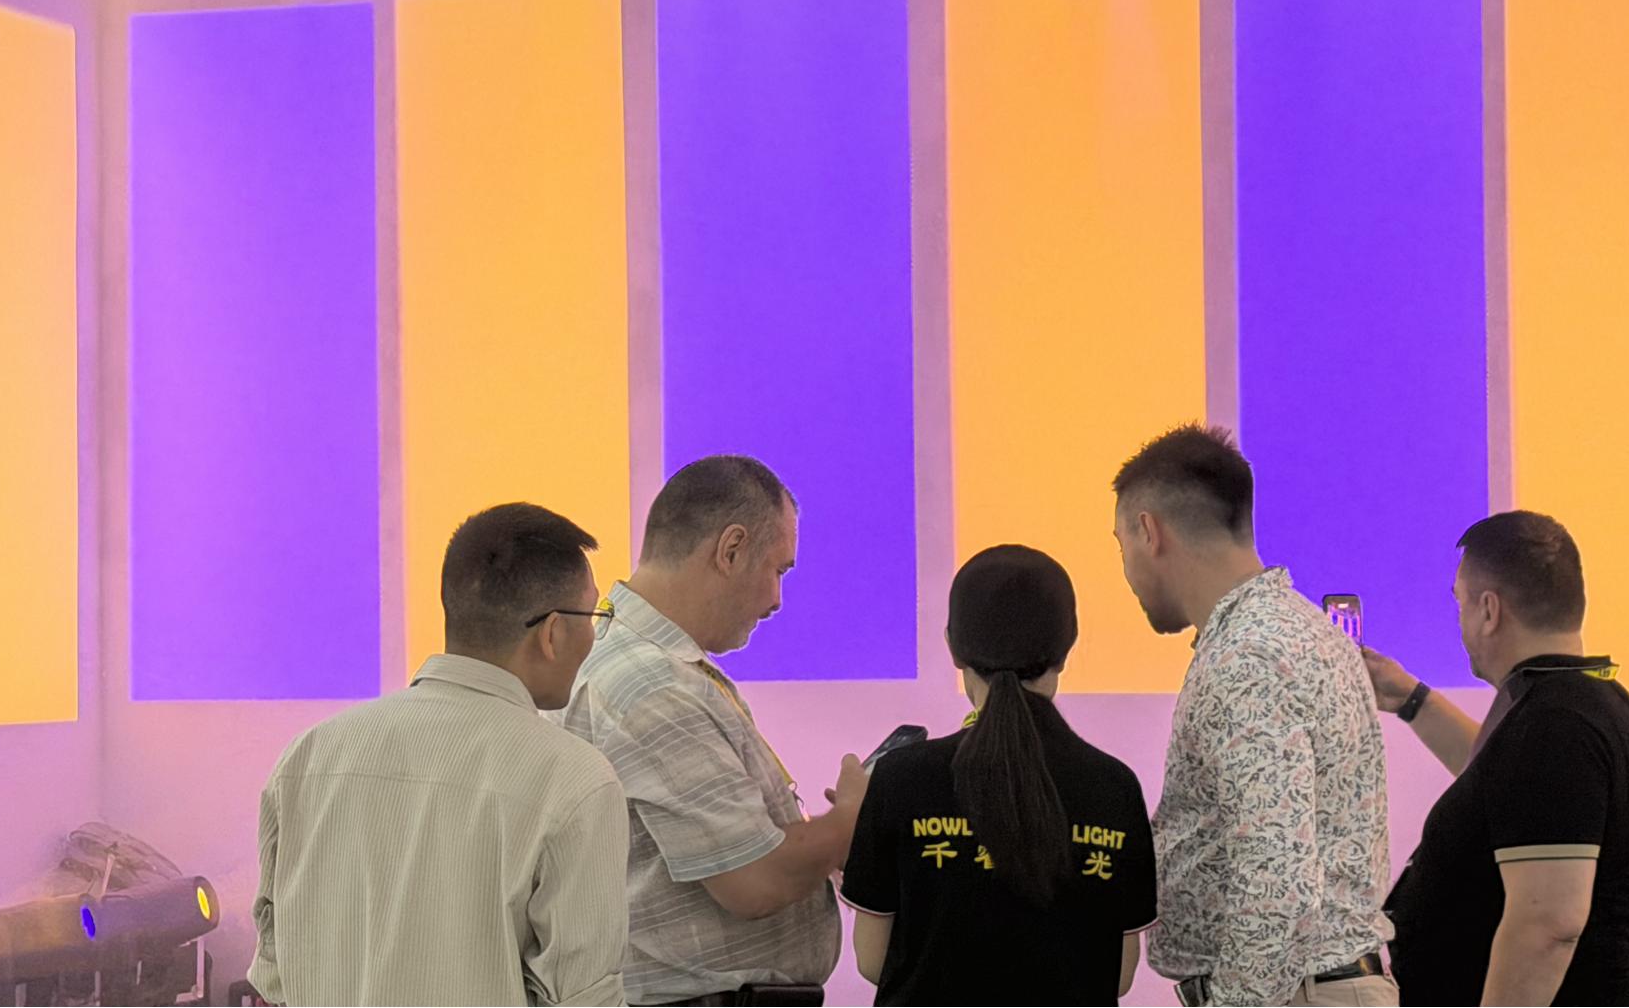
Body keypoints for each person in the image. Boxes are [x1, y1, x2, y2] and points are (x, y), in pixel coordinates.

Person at [248, 503, 627, 1006]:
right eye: (594, 615)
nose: (595, 635)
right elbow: (584, 998)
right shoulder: (574, 780)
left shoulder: (307, 759)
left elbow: (274, 978)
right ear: (554, 632)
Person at [1111, 424, 1396, 1007]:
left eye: (1120, 546)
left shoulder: (1247, 657)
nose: (1125, 573)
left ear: (1148, 531)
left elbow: (1277, 881)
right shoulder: (1301, 630)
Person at [561, 455, 858, 1006]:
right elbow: (755, 881)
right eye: (778, 570)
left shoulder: (639, 663)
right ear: (731, 549)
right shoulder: (651, 682)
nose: (777, 600)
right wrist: (853, 818)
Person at [1362, 511, 1629, 1007]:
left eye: (1460, 603)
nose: (1460, 623)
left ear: (1489, 610)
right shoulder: (1580, 707)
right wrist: (1411, 700)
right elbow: (1503, 788)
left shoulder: (1558, 727)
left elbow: (1549, 925)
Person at [841, 545, 1158, 1005]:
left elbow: (873, 962)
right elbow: (1119, 976)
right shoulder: (1114, 787)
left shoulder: (900, 779)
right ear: (1067, 648)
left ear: (953, 647)